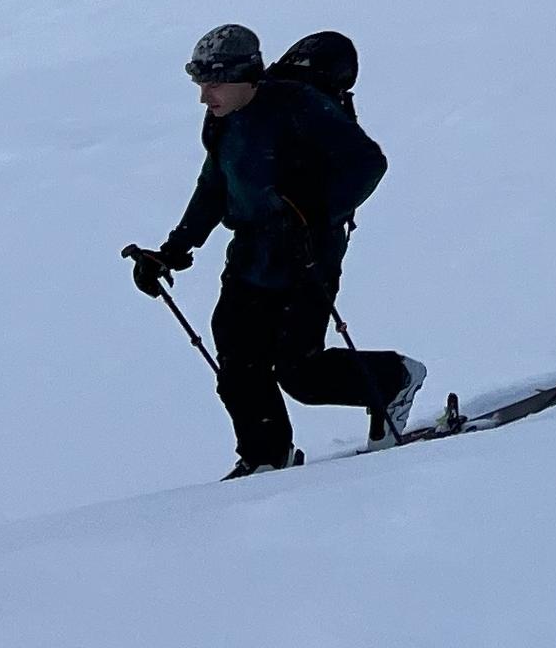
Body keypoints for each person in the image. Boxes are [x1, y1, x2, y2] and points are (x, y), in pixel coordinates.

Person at [129, 23, 426, 474]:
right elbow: (214, 186)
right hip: (250, 255)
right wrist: (172, 251)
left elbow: (368, 163)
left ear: (246, 76)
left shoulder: (297, 107)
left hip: (308, 255)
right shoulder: (223, 120)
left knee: (299, 372)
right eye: (201, 84)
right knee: (237, 362)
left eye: (213, 84)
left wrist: (317, 210)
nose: (204, 97)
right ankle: (267, 457)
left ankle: (393, 379)